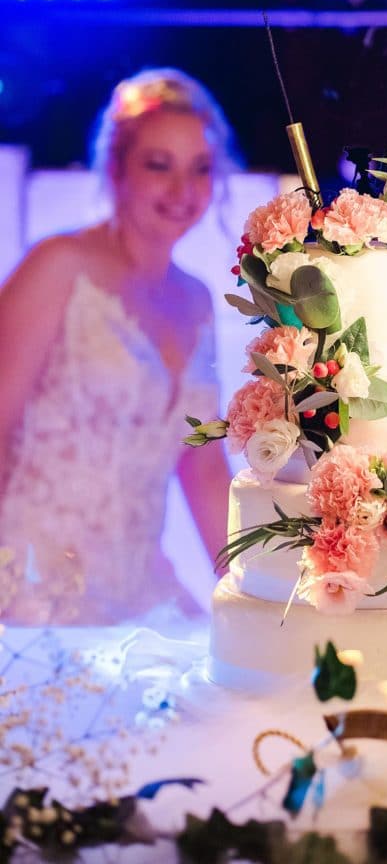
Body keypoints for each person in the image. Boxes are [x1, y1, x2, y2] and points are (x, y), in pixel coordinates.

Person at [0, 68, 233, 624]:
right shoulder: (57, 267)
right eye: (159, 165)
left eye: (199, 169)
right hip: (29, 587)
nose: (182, 192)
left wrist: (263, 600)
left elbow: (203, 470)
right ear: (117, 168)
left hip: (139, 590)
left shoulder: (196, 300)